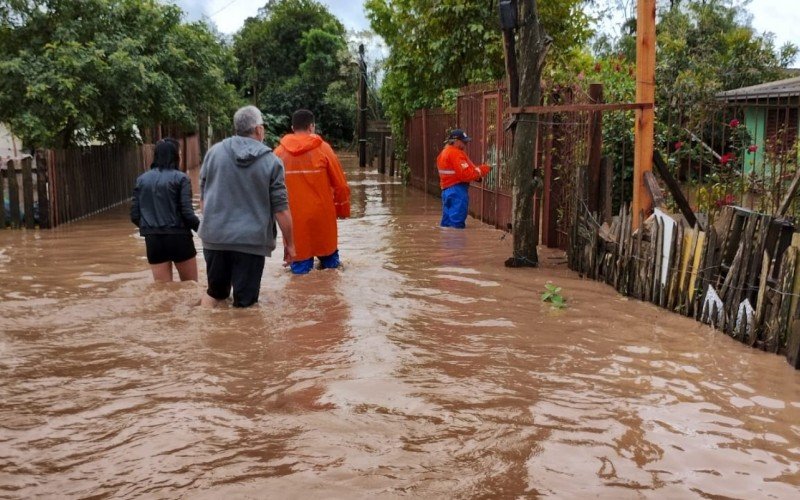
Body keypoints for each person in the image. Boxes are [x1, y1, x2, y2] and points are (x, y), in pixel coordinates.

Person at [198, 105, 295, 307]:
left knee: (215, 294)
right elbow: (281, 209)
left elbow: (204, 199)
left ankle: (205, 334)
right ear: (258, 130)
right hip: (250, 243)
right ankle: (241, 339)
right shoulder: (272, 162)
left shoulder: (213, 153)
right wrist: (290, 243)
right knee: (246, 305)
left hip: (215, 238)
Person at [274, 109, 350, 275]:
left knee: (300, 275)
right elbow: (341, 186)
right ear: (311, 127)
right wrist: (342, 210)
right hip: (324, 221)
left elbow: (269, 191)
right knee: (331, 271)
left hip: (295, 223)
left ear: (293, 128)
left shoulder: (278, 154)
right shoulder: (324, 149)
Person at [131, 138, 200, 282]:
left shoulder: (142, 180)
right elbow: (187, 213)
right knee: (191, 287)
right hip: (179, 238)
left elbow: (134, 215)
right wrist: (203, 230)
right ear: (176, 156)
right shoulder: (181, 179)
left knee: (162, 290)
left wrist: (151, 228)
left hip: (154, 241)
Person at [436, 129, 491, 228]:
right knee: (457, 224)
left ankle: (446, 243)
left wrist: (475, 174)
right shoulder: (456, 153)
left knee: (446, 224)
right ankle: (457, 243)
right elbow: (465, 175)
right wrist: (483, 169)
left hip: (446, 191)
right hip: (457, 191)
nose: (465, 144)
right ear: (456, 141)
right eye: (464, 141)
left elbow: (456, 171)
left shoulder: (443, 153)